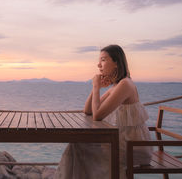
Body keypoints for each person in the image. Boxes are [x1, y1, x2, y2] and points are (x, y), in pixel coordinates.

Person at [54, 44, 152, 179]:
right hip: (122, 142)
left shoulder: (125, 84)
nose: (98, 64)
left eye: (103, 60)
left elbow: (97, 116)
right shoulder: (116, 86)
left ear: (116, 62)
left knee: (78, 148)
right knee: (76, 145)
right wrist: (97, 87)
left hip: (133, 147)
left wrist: (95, 86)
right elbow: (88, 110)